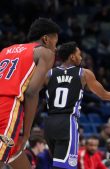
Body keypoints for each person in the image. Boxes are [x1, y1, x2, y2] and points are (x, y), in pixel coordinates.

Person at [44, 41, 110, 169]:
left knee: (57, 165)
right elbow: (105, 95)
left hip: (49, 122)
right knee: (65, 167)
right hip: (67, 123)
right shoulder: (83, 73)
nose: (81, 57)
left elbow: (31, 92)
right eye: (79, 54)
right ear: (72, 56)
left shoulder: (49, 74)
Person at [0, 17, 59, 169]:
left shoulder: (6, 50)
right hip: (8, 105)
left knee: (14, 155)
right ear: (45, 39)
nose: (56, 47)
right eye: (55, 42)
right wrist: (26, 134)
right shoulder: (45, 53)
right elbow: (31, 93)